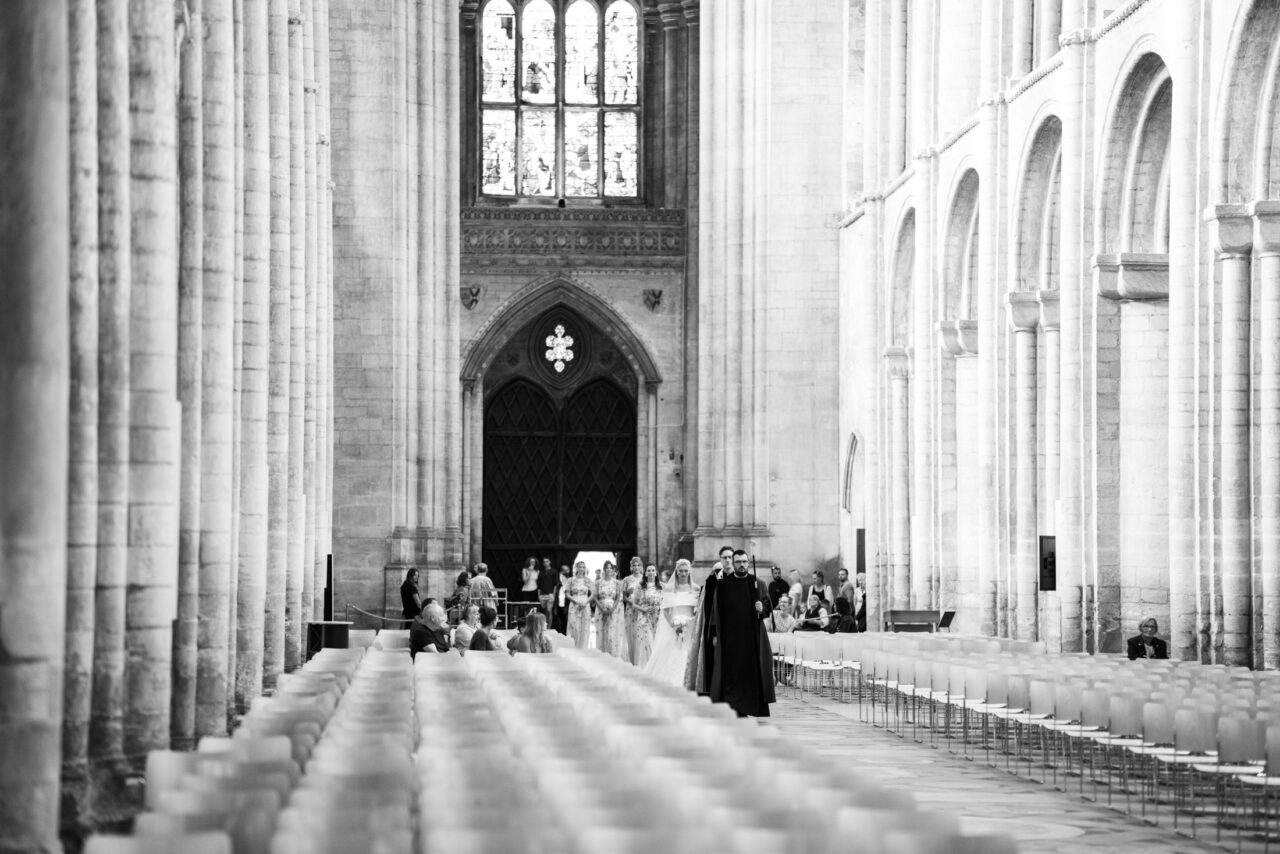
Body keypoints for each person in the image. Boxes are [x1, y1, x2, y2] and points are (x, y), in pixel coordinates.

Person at [693, 549, 775, 717]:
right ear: (733, 563)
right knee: (731, 674)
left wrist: (762, 609)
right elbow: (716, 611)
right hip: (730, 639)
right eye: (738, 562)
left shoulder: (757, 583)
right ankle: (734, 707)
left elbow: (767, 608)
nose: (742, 565)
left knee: (750, 674)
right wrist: (715, 634)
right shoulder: (723, 585)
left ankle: (748, 706)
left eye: (745, 562)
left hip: (751, 639)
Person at [685, 545, 735, 695]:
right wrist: (713, 632)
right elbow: (709, 610)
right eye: (724, 557)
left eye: (729, 557)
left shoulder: (739, 579)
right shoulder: (712, 582)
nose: (727, 560)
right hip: (716, 629)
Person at [645, 559, 699, 685]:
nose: (684, 573)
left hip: (689, 626)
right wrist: (674, 625)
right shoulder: (669, 589)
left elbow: (696, 611)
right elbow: (665, 611)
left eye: (686, 571)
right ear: (677, 571)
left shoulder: (695, 588)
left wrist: (689, 622)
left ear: (689, 572)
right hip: (673, 626)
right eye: (681, 571)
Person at [630, 563, 663, 668]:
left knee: (657, 642)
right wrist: (644, 609)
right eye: (649, 570)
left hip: (658, 617)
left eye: (653, 570)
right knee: (647, 642)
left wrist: (660, 608)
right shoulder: (640, 586)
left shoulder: (662, 586)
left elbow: (667, 601)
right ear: (645, 573)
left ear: (656, 572)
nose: (651, 572)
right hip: (644, 618)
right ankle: (647, 667)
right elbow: (634, 604)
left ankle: (656, 667)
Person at [594, 561, 629, 660]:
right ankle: (601, 655)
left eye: (610, 568)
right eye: (607, 568)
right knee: (601, 632)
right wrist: (602, 609)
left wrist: (611, 610)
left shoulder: (617, 583)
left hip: (614, 610)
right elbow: (595, 597)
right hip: (601, 610)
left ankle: (612, 655)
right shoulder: (597, 583)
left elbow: (618, 597)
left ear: (613, 570)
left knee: (612, 633)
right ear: (604, 569)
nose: (609, 570)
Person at [565, 561, 594, 648]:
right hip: (574, 604)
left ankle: (583, 648)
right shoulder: (571, 580)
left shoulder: (588, 580)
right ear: (576, 568)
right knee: (574, 626)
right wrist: (574, 600)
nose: (582, 569)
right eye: (580, 567)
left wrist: (586, 602)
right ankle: (572, 647)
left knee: (584, 627)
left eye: (583, 567)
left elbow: (592, 594)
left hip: (585, 604)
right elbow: (567, 593)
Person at [623, 556, 644, 664]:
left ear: (641, 567)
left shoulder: (644, 579)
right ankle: (631, 658)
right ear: (631, 567)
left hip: (641, 608)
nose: (636, 567)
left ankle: (640, 659)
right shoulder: (627, 579)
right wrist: (630, 601)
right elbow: (623, 597)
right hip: (630, 609)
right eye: (634, 565)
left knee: (639, 631)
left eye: (638, 565)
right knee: (631, 632)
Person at [552, 564, 571, 635]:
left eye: (563, 577)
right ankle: (560, 634)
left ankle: (565, 635)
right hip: (559, 606)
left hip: (566, 607)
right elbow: (556, 596)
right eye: (560, 577)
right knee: (558, 622)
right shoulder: (558, 585)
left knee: (565, 622)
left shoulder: (569, 585)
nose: (561, 578)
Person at [538, 557, 557, 621]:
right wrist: (539, 595)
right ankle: (544, 626)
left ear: (550, 562)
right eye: (544, 562)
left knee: (549, 611)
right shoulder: (541, 572)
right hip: (542, 594)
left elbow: (555, 585)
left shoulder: (554, 571)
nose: (545, 563)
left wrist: (553, 595)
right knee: (543, 611)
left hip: (550, 594)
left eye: (547, 561)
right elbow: (539, 585)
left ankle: (549, 628)